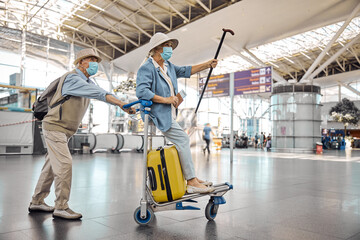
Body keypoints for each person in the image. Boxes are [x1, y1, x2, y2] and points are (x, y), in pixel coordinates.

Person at [28, 48, 135, 220]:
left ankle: (37, 201)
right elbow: (100, 93)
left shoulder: (88, 82)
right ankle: (61, 206)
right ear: (80, 63)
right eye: (90, 59)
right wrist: (121, 104)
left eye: (96, 60)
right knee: (64, 164)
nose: (94, 63)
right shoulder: (73, 78)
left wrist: (122, 104)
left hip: (64, 129)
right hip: (55, 126)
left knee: (51, 167)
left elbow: (103, 94)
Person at [136, 32, 218, 194]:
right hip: (157, 114)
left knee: (182, 141)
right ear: (157, 48)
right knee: (182, 139)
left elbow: (187, 70)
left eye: (171, 46)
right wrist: (166, 99)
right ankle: (191, 181)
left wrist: (207, 64)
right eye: (168, 46)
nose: (170, 49)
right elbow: (142, 92)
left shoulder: (169, 66)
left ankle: (191, 177)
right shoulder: (147, 68)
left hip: (169, 113)